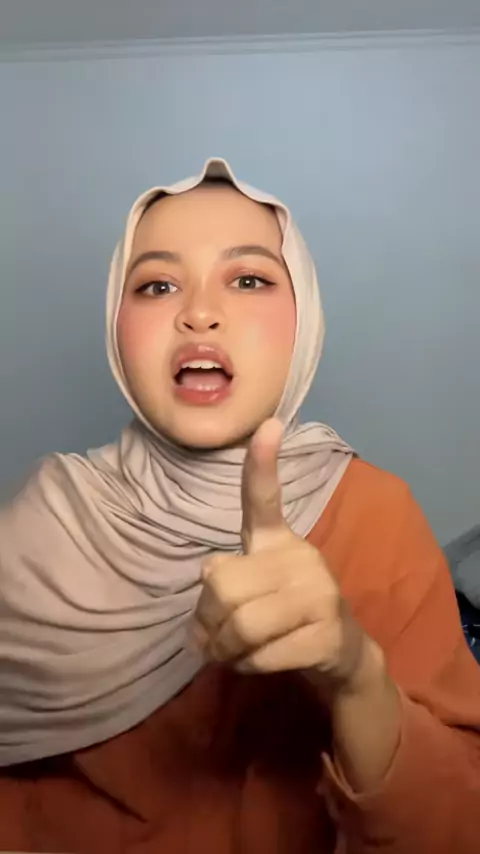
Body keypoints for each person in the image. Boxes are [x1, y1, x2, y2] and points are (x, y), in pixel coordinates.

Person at [0, 158, 479, 854]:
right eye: (157, 285)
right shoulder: (45, 520)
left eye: (249, 279)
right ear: (115, 325)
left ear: (305, 319)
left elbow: (460, 828)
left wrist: (356, 676)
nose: (198, 312)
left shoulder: (372, 516)